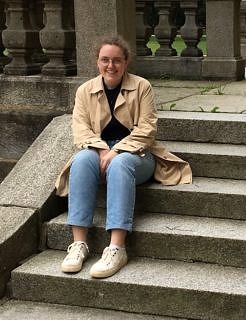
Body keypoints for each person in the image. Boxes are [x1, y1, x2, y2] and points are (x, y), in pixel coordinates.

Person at [55, 35, 192, 279]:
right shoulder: (85, 91)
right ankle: (79, 244)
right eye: (105, 60)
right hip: (97, 150)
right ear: (97, 62)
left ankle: (117, 247)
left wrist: (117, 150)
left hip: (137, 155)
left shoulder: (142, 87)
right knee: (81, 160)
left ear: (126, 62)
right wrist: (101, 149)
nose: (111, 66)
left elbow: (147, 129)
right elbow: (81, 129)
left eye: (117, 60)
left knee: (119, 164)